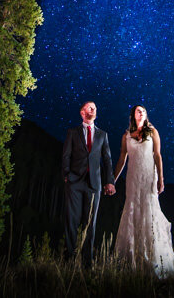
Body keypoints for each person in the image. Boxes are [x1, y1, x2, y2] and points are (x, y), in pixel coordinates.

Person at [113, 105, 174, 276]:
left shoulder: (152, 132)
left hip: (148, 177)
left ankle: (153, 257)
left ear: (146, 114)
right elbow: (122, 157)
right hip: (133, 179)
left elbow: (158, 155)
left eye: (143, 110)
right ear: (133, 115)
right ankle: (131, 259)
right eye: (138, 110)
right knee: (132, 211)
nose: (141, 112)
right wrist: (112, 180)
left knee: (149, 211)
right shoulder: (126, 135)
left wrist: (161, 178)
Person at [62, 101, 116, 263]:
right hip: (74, 182)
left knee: (90, 222)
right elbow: (66, 156)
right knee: (72, 220)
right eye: (90, 107)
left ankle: (87, 261)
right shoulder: (73, 132)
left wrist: (109, 182)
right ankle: (70, 259)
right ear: (82, 112)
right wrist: (66, 175)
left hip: (94, 184)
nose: (94, 109)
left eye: (95, 107)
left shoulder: (102, 135)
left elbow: (107, 160)